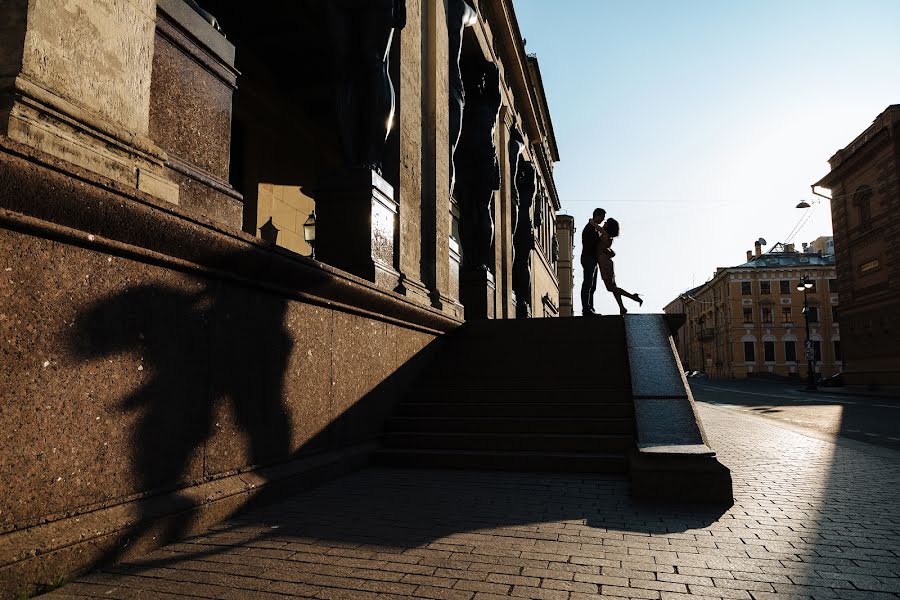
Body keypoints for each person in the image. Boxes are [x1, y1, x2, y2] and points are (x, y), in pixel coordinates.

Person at [594, 218, 643, 315]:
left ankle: (633, 297)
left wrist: (592, 221)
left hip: (605, 264)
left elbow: (594, 225)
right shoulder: (608, 236)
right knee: (613, 287)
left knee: (610, 288)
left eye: (606, 222)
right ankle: (622, 308)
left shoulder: (604, 233)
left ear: (608, 226)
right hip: (607, 263)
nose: (604, 223)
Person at [580, 208, 606, 315]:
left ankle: (590, 307)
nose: (603, 220)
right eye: (602, 217)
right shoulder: (590, 228)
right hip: (588, 258)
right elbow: (593, 243)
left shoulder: (593, 227)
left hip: (592, 259)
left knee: (592, 285)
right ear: (598, 216)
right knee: (588, 283)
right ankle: (586, 308)